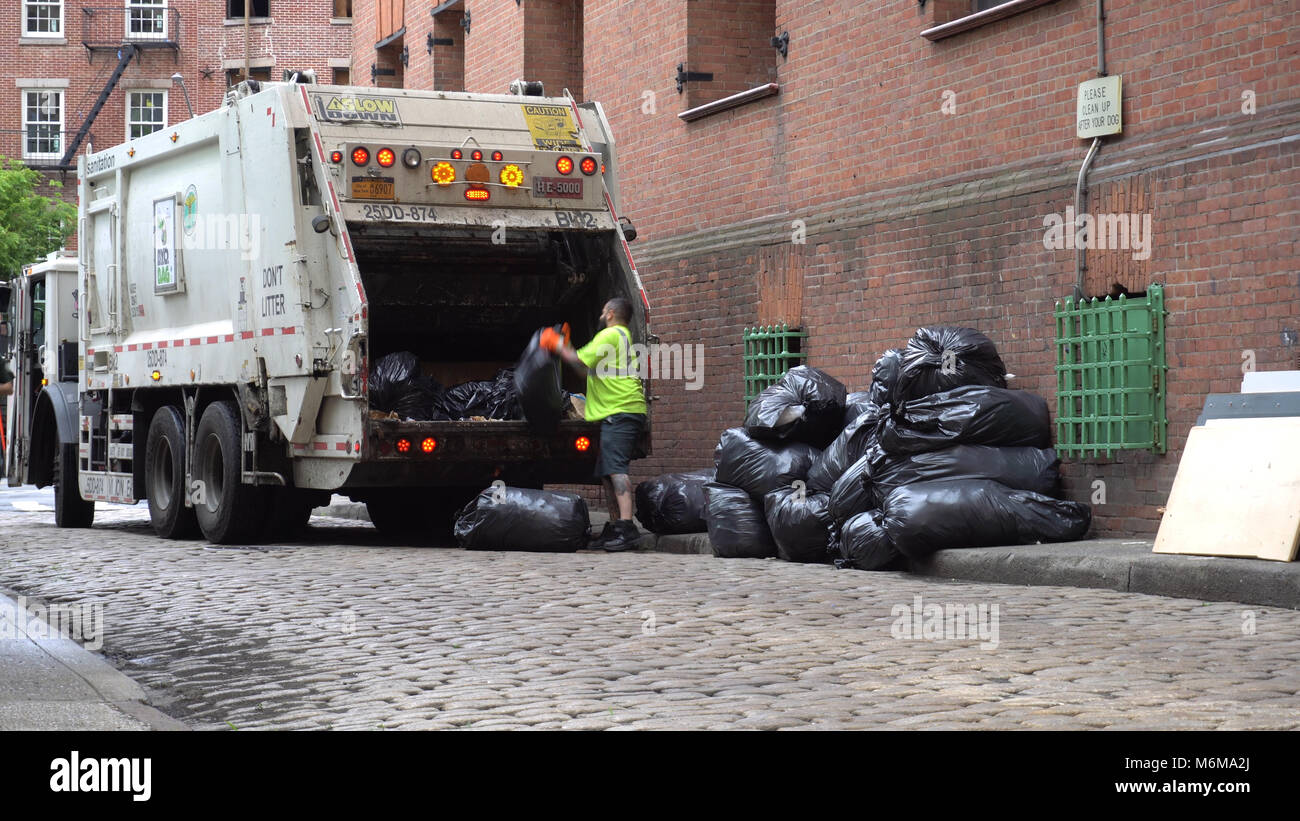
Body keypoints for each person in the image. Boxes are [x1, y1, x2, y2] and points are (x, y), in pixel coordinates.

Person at [545, 297, 648, 551]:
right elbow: (585, 369)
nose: (602, 315)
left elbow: (578, 361)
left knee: (617, 468)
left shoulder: (609, 335)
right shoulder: (622, 336)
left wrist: (556, 344)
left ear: (611, 313)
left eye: (604, 311)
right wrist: (566, 346)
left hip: (620, 410)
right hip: (623, 409)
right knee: (609, 468)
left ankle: (627, 527)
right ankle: (617, 525)